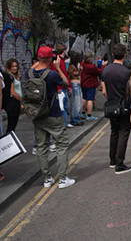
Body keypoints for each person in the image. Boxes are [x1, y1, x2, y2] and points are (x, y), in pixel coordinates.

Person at [27, 46, 75, 189]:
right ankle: (62, 178)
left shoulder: (29, 72)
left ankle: (47, 178)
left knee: (41, 147)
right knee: (61, 145)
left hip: (37, 115)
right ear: (50, 59)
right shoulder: (52, 74)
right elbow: (66, 83)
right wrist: (58, 68)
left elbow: (34, 69)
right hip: (53, 115)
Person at [101, 44, 131, 174]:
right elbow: (130, 91)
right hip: (123, 105)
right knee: (123, 133)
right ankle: (120, 164)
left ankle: (112, 160)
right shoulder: (127, 72)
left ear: (113, 55)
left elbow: (103, 91)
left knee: (114, 131)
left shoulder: (105, 71)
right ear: (124, 55)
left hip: (111, 105)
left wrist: (111, 99)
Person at [50, 44, 72, 128]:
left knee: (65, 106)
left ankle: (65, 123)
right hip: (60, 88)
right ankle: (62, 124)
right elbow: (55, 74)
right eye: (65, 50)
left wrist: (68, 86)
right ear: (64, 51)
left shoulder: (62, 60)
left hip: (64, 87)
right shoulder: (56, 61)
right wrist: (58, 87)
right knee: (61, 107)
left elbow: (65, 74)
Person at [81, 51, 106, 120]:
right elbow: (99, 72)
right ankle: (89, 115)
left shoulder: (82, 64)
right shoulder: (91, 67)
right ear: (90, 59)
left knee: (84, 98)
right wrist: (103, 65)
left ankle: (82, 112)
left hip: (83, 83)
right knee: (90, 99)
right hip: (90, 84)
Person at [5, 59, 22, 133]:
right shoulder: (9, 77)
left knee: (13, 124)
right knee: (12, 125)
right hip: (13, 102)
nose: (14, 68)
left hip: (15, 102)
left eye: (16, 66)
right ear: (9, 67)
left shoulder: (14, 76)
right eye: (12, 66)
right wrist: (21, 99)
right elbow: (13, 92)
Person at [67, 52, 84, 127]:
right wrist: (79, 70)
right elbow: (73, 74)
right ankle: (75, 119)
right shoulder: (71, 66)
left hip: (77, 84)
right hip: (74, 84)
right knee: (76, 103)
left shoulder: (74, 65)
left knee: (79, 103)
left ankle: (77, 118)